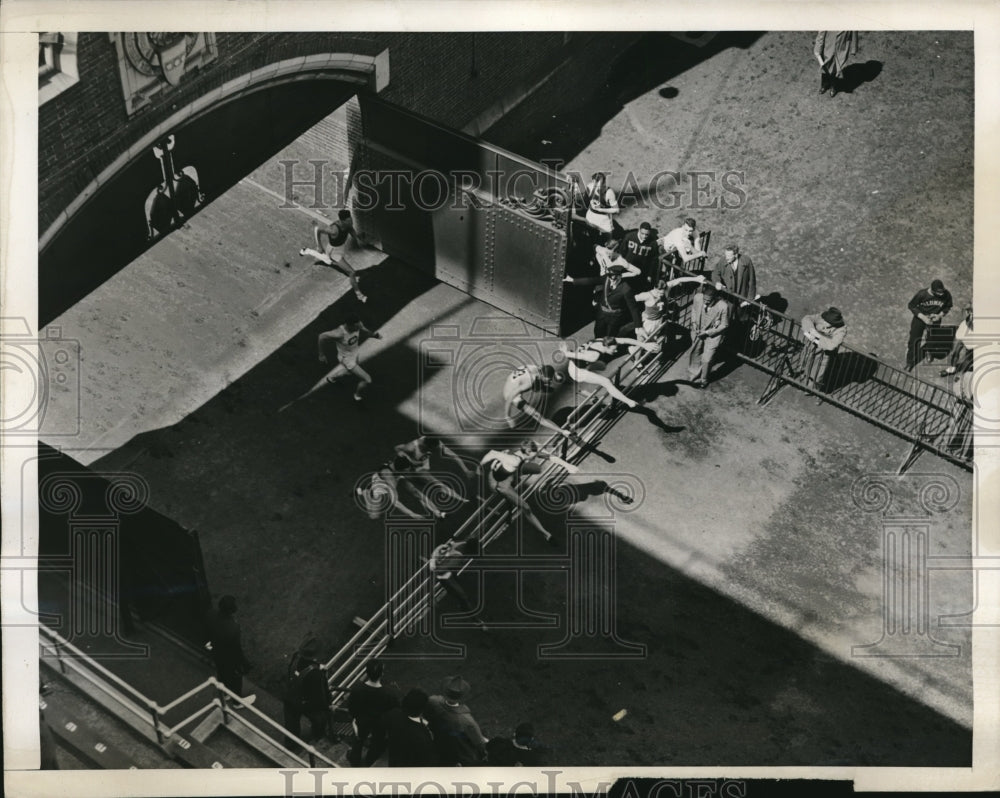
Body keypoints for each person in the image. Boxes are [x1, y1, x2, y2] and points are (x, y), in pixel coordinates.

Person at [479, 441, 577, 545]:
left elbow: (549, 456)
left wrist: (567, 465)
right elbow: (492, 453)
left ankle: (510, 500)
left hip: (508, 472)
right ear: (528, 451)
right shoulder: (513, 461)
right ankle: (546, 534)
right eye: (534, 455)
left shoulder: (528, 447)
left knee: (537, 468)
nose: (536, 457)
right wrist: (478, 467)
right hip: (498, 483)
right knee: (526, 507)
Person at [279, 314, 382, 411]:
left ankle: (331, 378)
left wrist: (374, 335)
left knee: (349, 372)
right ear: (349, 325)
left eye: (358, 325)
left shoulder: (357, 324)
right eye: (356, 326)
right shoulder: (338, 333)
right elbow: (321, 336)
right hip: (346, 358)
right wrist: (321, 354)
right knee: (367, 379)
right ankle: (357, 396)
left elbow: (364, 329)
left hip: (354, 352)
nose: (358, 327)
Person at [560, 337, 658, 409]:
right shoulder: (593, 356)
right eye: (613, 349)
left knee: (603, 366)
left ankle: (609, 387)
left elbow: (627, 340)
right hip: (577, 371)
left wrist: (644, 345)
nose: (616, 351)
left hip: (582, 363)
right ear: (606, 347)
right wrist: (566, 352)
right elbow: (576, 356)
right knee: (606, 381)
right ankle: (629, 402)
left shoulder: (601, 340)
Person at [502, 362, 582, 445]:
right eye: (549, 379)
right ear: (542, 376)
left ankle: (542, 386)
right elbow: (510, 396)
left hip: (516, 378)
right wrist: (508, 416)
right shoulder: (529, 382)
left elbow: (549, 370)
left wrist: (556, 376)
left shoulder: (539, 369)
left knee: (545, 385)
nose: (551, 381)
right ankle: (563, 432)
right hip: (510, 393)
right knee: (538, 416)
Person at [299, 209, 369, 303]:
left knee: (328, 261)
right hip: (334, 252)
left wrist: (358, 239)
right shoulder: (333, 230)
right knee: (351, 272)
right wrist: (319, 246)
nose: (351, 222)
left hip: (340, 249)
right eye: (349, 220)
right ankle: (359, 295)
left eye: (351, 219)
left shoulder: (348, 225)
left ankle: (306, 250)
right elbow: (318, 230)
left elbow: (352, 232)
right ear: (342, 221)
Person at [563, 263, 642, 338]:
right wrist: (573, 280)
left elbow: (633, 308)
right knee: (598, 332)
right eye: (611, 278)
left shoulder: (626, 289)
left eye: (616, 278)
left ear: (620, 276)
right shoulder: (606, 279)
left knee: (610, 336)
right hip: (601, 314)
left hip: (614, 317)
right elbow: (591, 280)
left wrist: (638, 325)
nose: (613, 281)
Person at [357, 457, 450, 520]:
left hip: (395, 476)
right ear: (399, 470)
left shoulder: (399, 462)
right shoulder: (389, 477)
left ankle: (437, 512)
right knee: (374, 516)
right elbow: (395, 502)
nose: (408, 472)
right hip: (382, 486)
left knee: (415, 491)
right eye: (405, 471)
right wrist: (412, 514)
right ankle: (365, 492)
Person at [204, 595, 256, 707]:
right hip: (229, 657)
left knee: (221, 673)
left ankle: (224, 693)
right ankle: (237, 702)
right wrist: (245, 663)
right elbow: (236, 649)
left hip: (217, 653)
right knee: (236, 678)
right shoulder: (233, 628)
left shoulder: (211, 615)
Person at [424, 676, 488, 766]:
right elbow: (480, 744)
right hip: (458, 755)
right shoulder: (467, 721)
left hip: (438, 742)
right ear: (462, 696)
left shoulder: (432, 701)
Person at [425, 537, 488, 629]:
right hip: (442, 572)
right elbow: (439, 571)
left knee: (455, 579)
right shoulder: (458, 556)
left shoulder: (460, 543)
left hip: (440, 559)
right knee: (462, 596)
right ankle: (476, 621)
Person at [347, 660, 401, 767]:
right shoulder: (389, 693)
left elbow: (351, 706)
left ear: (366, 673)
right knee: (376, 743)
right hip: (379, 724)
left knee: (358, 740)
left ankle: (355, 760)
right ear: (381, 674)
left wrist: (355, 717)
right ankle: (369, 761)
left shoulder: (357, 689)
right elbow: (395, 710)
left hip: (361, 721)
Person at [633, 275, 706, 348]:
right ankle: (635, 354)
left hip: (658, 321)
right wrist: (640, 313)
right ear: (655, 288)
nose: (659, 295)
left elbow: (679, 280)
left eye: (662, 293)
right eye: (658, 293)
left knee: (653, 343)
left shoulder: (667, 287)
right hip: (648, 322)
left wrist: (696, 279)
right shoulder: (647, 295)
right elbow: (631, 300)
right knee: (641, 343)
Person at [283, 637, 331, 745]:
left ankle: (290, 744)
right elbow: (319, 698)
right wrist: (327, 705)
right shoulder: (316, 674)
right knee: (321, 718)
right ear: (314, 657)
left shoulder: (296, 656)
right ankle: (318, 737)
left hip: (290, 697)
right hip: (305, 703)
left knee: (291, 724)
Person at [687, 283, 729, 388]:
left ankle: (704, 380)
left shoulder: (723, 306)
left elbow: (724, 325)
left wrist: (707, 332)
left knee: (707, 358)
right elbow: (694, 311)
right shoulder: (698, 297)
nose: (705, 303)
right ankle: (694, 372)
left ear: (715, 298)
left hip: (713, 336)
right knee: (695, 352)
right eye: (704, 300)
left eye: (708, 301)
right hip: (698, 331)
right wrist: (694, 323)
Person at [906, 279, 953, 370]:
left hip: (934, 319)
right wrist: (923, 317)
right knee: (914, 340)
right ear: (931, 289)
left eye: (942, 292)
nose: (941, 295)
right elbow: (911, 305)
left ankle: (929, 352)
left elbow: (948, 306)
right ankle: (910, 362)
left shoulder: (946, 294)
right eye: (938, 293)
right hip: (920, 319)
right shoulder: (922, 294)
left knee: (932, 339)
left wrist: (939, 315)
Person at [798, 307, 847, 392]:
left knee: (817, 372)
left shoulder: (841, 330)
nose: (823, 322)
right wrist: (811, 329)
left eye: (826, 322)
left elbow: (832, 345)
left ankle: (812, 389)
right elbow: (807, 318)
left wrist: (818, 335)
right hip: (811, 347)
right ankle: (804, 375)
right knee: (806, 361)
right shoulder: (823, 316)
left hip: (824, 354)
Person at [384, 688, 437, 767]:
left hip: (394, 762)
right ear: (422, 710)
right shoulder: (423, 736)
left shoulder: (392, 714)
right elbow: (429, 761)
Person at [710, 244, 758, 324]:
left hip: (741, 295)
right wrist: (717, 282)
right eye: (725, 255)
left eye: (729, 256)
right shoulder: (723, 261)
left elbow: (752, 280)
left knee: (740, 317)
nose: (726, 258)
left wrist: (750, 298)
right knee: (726, 317)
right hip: (727, 296)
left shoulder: (746, 261)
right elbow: (715, 273)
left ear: (736, 255)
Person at [814, 31, 859, 97]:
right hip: (828, 46)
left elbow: (854, 31)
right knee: (826, 66)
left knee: (838, 67)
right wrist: (818, 50)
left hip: (842, 46)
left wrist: (854, 48)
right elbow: (821, 33)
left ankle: (834, 86)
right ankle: (824, 84)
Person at [619, 222, 660, 286]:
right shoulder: (629, 237)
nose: (644, 236)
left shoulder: (653, 242)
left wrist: (650, 274)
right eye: (642, 233)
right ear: (639, 230)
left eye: (647, 234)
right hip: (628, 267)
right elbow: (622, 252)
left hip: (642, 270)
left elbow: (653, 260)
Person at [940, 305, 974, 377]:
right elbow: (965, 310)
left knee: (968, 357)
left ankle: (960, 374)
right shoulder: (972, 306)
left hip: (974, 335)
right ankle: (952, 369)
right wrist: (969, 310)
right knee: (955, 351)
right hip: (964, 329)